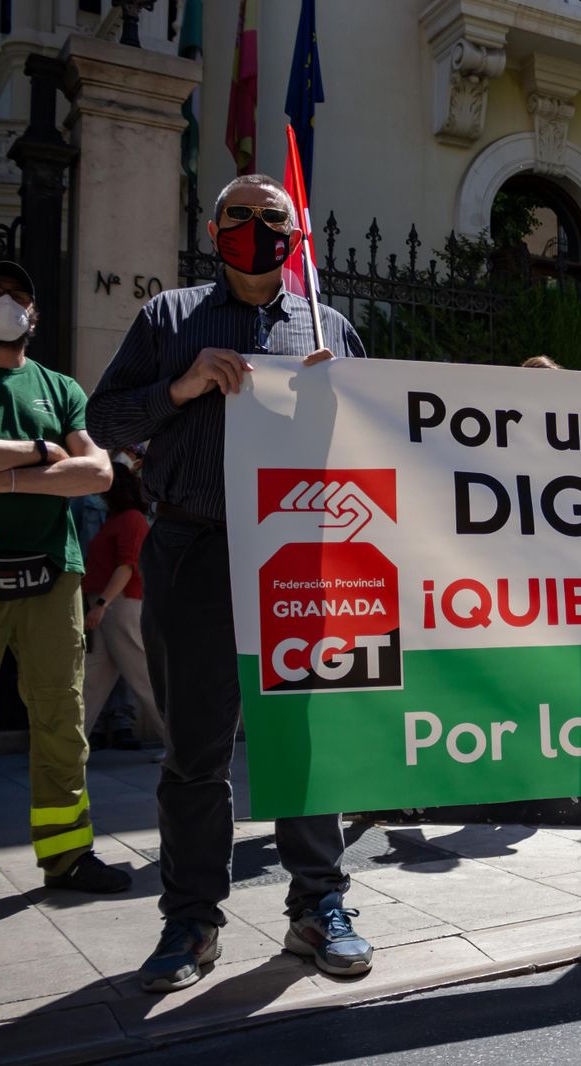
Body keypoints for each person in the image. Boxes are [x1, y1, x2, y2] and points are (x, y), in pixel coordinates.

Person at [88, 174, 375, 991]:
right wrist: (178, 389)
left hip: (298, 558)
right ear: (214, 230)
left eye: (271, 216)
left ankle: (318, 907)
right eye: (240, 216)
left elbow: (372, 450)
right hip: (192, 550)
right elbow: (104, 422)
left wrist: (336, 402)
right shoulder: (168, 320)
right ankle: (191, 923)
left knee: (306, 740)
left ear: (298, 235)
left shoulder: (332, 329)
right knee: (196, 751)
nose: (256, 227)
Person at [0, 259, 133, 910]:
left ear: (34, 313)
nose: (6, 303)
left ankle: (67, 856)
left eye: (18, 295)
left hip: (53, 570)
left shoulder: (60, 388)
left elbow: (100, 474)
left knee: (61, 720)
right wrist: (41, 452)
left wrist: (5, 479)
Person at [81, 459, 162, 746]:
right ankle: (70, 749)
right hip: (109, 604)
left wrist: (101, 603)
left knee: (144, 677)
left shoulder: (129, 519)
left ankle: (180, 748)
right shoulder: (120, 519)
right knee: (92, 682)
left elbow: (127, 565)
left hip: (118, 604)